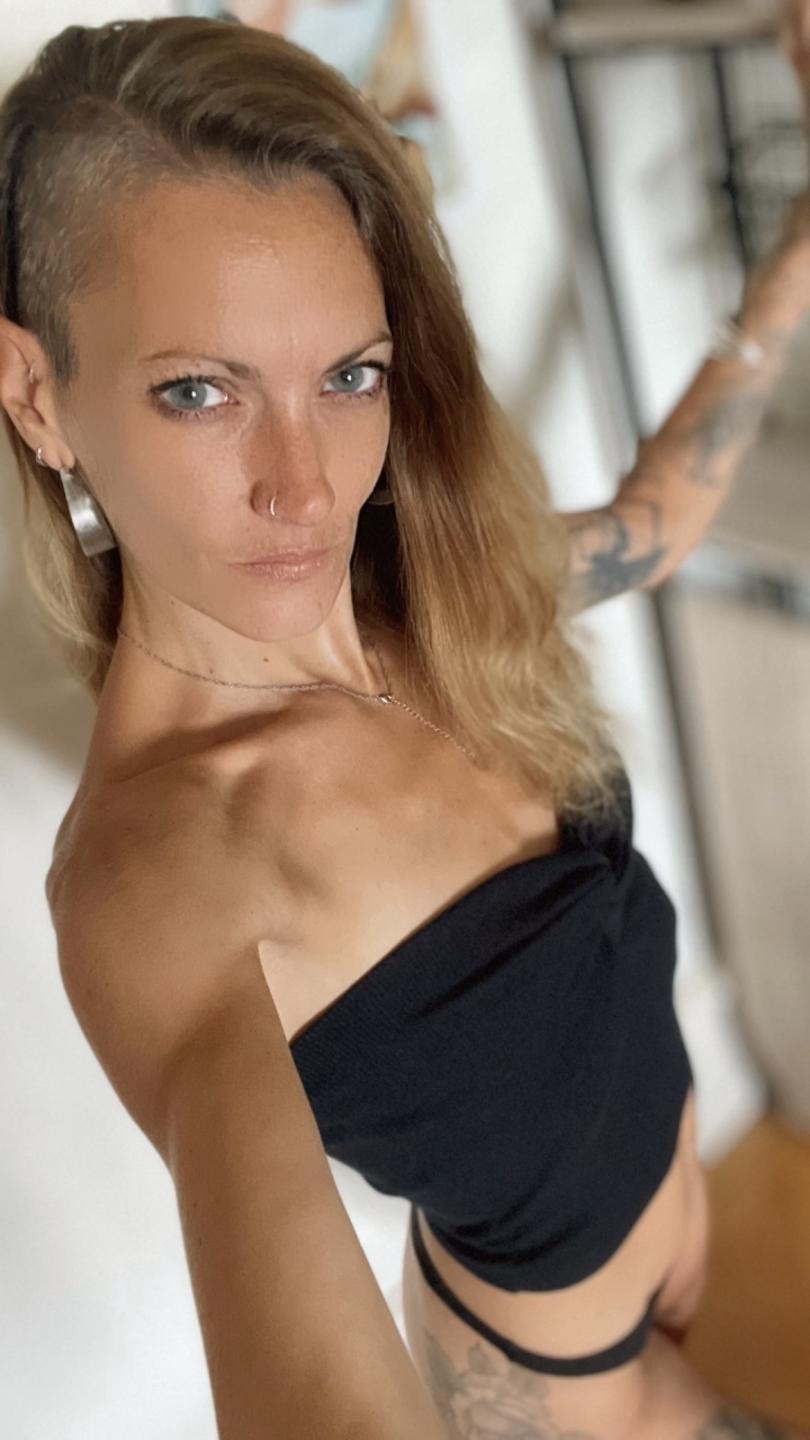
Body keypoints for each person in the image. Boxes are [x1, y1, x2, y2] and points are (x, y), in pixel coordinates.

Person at [1, 10, 809, 1439]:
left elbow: (652, 523)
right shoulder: (158, 880)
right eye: (199, 392)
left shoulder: (434, 599)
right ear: (38, 395)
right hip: (568, 1397)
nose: (305, 486)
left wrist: (793, 256)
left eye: (349, 377)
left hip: (679, 1234)